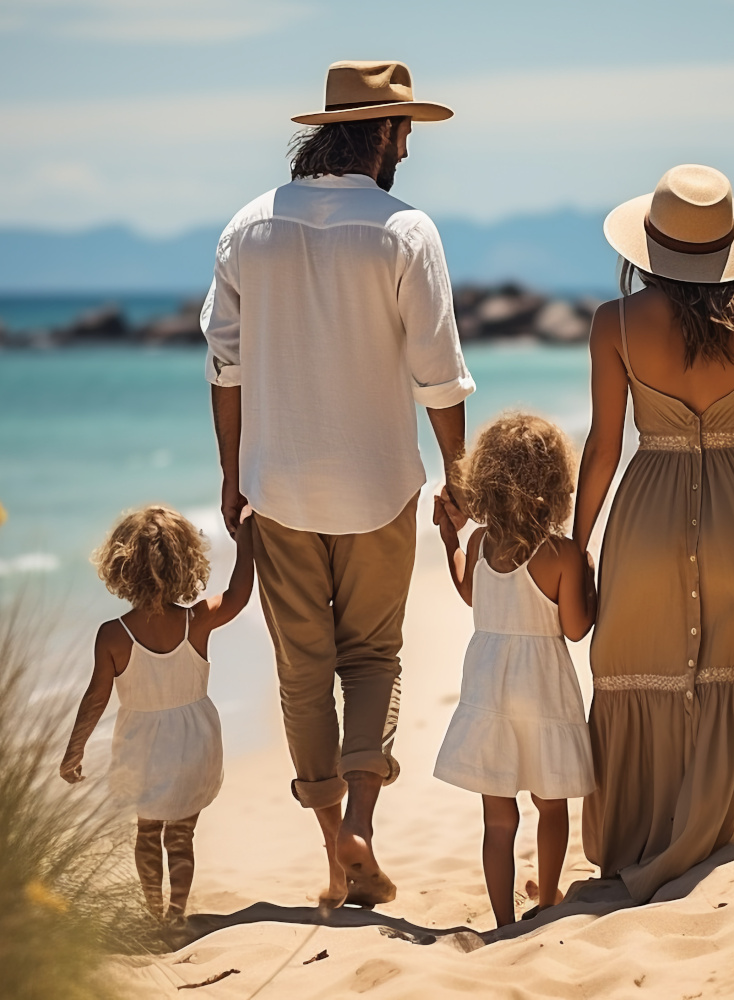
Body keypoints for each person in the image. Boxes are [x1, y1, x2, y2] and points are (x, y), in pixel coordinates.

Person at [201, 60, 475, 908]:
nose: (409, 149)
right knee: (373, 657)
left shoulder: (248, 227)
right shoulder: (404, 231)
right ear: (386, 135)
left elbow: (225, 364)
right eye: (406, 133)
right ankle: (358, 827)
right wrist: (456, 477)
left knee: (301, 672)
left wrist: (230, 474)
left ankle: (334, 846)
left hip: (277, 488)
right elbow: (440, 374)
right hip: (379, 485)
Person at [573, 164, 734, 904]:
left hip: (645, 513)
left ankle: (641, 839)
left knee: (635, 669)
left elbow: (603, 448)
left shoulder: (614, 325)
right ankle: (708, 829)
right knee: (729, 674)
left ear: (649, 246)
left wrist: (575, 541)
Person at [433, 414, 597, 927]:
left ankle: (504, 918)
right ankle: (547, 900)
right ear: (556, 484)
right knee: (551, 805)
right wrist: (590, 576)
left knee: (499, 818)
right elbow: (574, 629)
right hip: (543, 687)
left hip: (491, 686)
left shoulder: (481, 542)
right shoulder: (561, 554)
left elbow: (469, 592)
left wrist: (450, 539)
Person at [60, 505, 254, 922]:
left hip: (141, 746)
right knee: (182, 836)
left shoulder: (113, 635)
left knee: (147, 834)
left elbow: (95, 697)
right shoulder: (196, 620)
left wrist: (73, 750)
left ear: (121, 568)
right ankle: (178, 914)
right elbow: (239, 595)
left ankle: (154, 914)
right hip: (194, 743)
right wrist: (247, 539)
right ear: (186, 562)